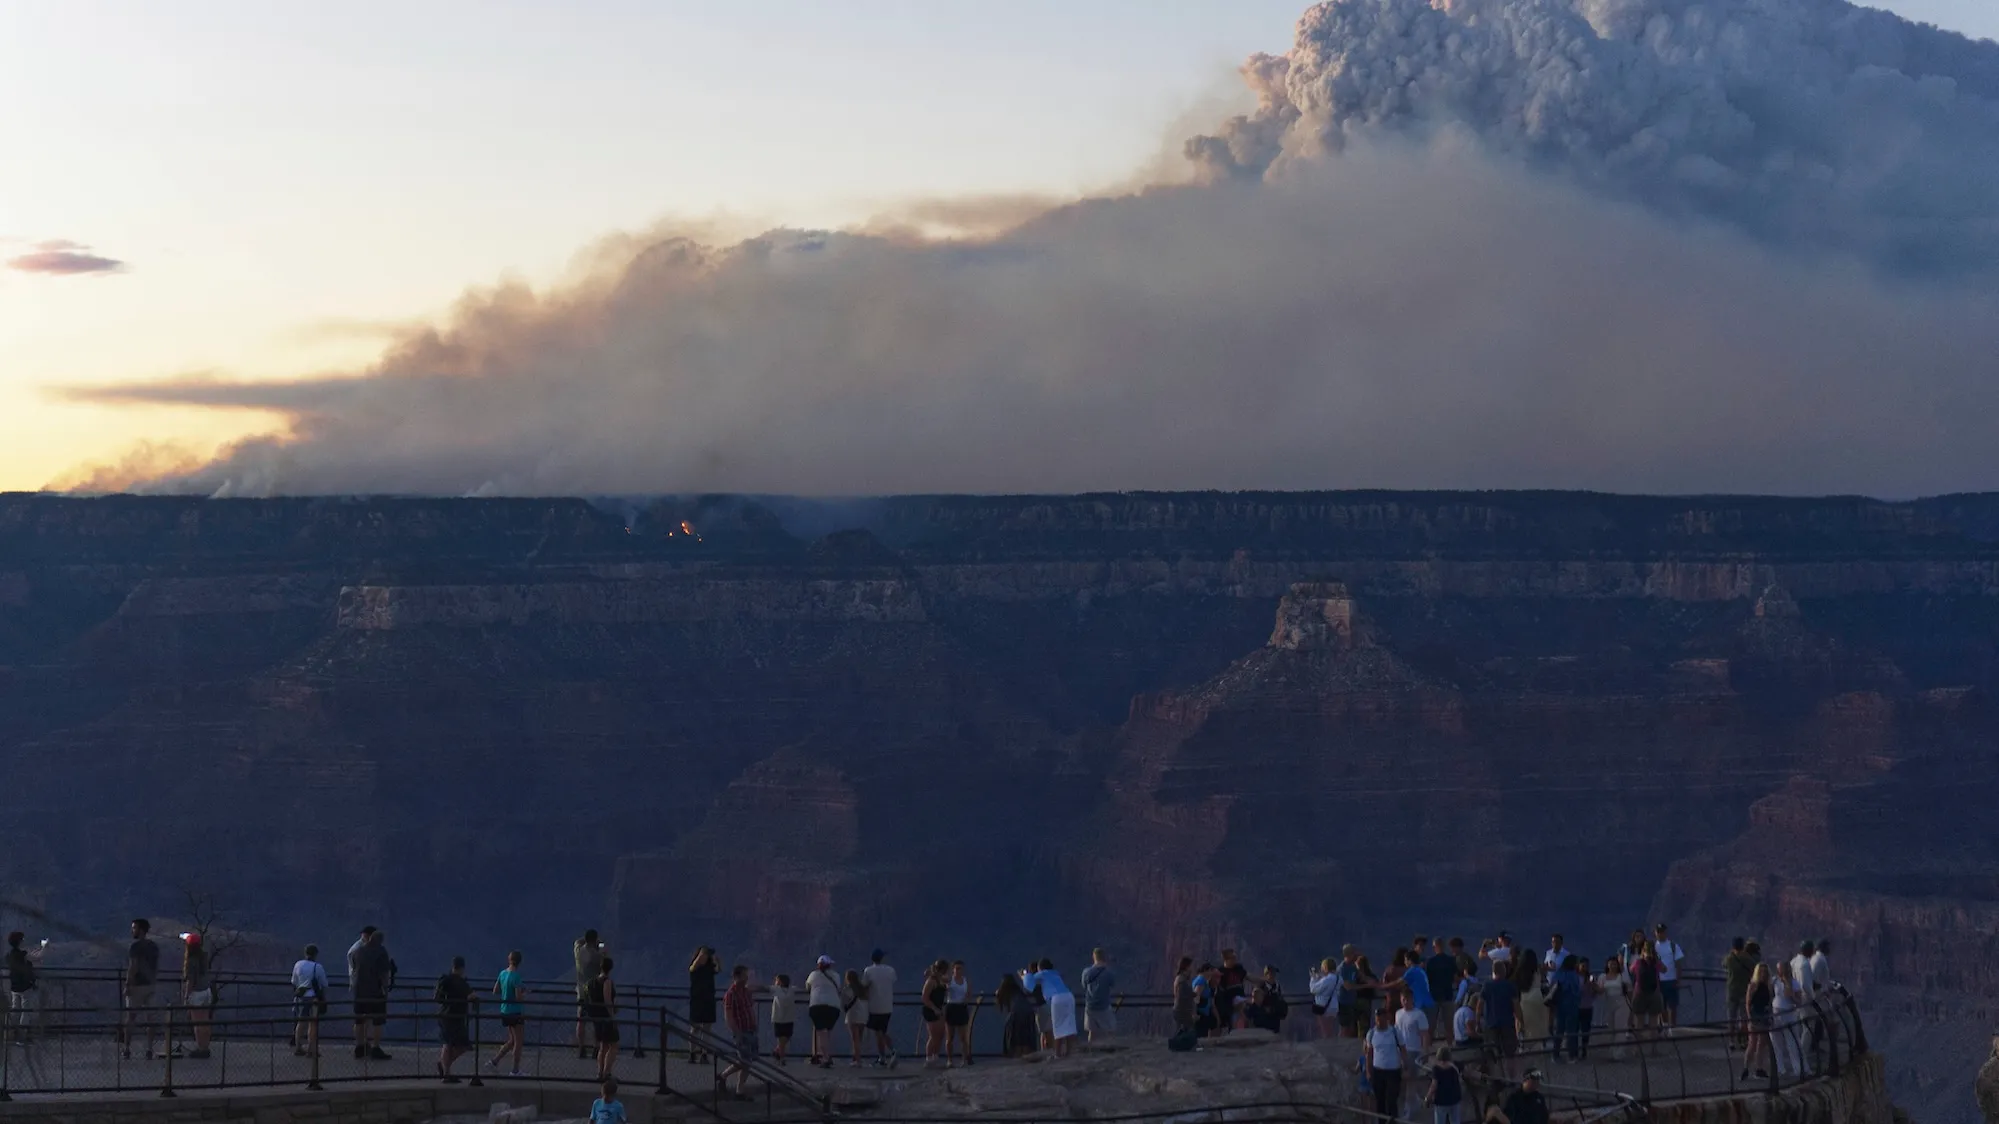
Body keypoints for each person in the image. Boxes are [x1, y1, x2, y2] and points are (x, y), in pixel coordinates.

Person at [352, 929, 396, 1062]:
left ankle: (359, 1046)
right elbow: (384, 972)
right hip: (375, 992)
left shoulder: (357, 951)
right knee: (378, 1021)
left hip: (359, 991)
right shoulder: (381, 952)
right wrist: (385, 989)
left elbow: (354, 968)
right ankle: (375, 1048)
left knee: (359, 1020)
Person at [122, 918, 161, 1060]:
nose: (132, 930)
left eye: (134, 928)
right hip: (151, 985)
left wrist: (127, 984)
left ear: (141, 930)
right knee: (151, 1018)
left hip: (137, 986)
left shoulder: (135, 947)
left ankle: (127, 1048)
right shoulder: (154, 946)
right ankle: (149, 1048)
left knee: (131, 1017)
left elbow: (133, 967)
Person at [1023, 958, 1077, 1057]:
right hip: (1069, 996)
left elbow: (1029, 985)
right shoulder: (1056, 974)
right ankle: (1069, 1052)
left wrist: (1025, 975)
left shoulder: (1043, 974)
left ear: (1040, 968)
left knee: (1057, 1027)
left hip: (1057, 998)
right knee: (1069, 1026)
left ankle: (1057, 1054)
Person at [719, 964, 758, 1099]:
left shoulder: (746, 992)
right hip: (741, 1031)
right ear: (737, 976)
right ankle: (736, 1087)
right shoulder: (730, 995)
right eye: (745, 975)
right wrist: (737, 1032)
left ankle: (727, 1080)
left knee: (746, 1061)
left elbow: (750, 1009)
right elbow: (728, 1016)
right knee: (745, 1061)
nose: (747, 978)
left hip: (751, 1029)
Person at [1477, 961, 1520, 1079]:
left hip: (1491, 1024)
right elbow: (1516, 1006)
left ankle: (1496, 1080)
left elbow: (1479, 1005)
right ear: (1504, 971)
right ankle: (1512, 1080)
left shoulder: (1487, 985)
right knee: (1510, 1055)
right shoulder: (1510, 986)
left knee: (1491, 1054)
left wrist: (1477, 1021)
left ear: (1493, 972)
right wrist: (1520, 1022)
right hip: (1508, 1024)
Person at [487, 949, 527, 1076]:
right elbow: (518, 997)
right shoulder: (516, 976)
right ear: (519, 962)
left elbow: (495, 991)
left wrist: (506, 991)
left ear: (509, 960)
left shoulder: (502, 973)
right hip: (515, 1011)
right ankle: (515, 1070)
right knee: (518, 1042)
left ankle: (494, 1061)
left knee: (512, 1041)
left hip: (504, 1010)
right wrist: (525, 994)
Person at [435, 956, 474, 1083]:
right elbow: (471, 996)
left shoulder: (446, 980)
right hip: (456, 1016)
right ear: (462, 968)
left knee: (448, 1043)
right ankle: (446, 1070)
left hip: (444, 1015)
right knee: (461, 1045)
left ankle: (445, 1069)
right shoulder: (461, 983)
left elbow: (438, 997)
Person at [1363, 1006, 1406, 1122]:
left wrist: (1404, 1065)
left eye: (1381, 1018)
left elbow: (1402, 1049)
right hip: (1378, 1071)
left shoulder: (1394, 1032)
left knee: (1391, 1100)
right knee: (1380, 1100)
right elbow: (1369, 1054)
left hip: (1393, 1070)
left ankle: (1393, 1121)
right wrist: (1368, 1071)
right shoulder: (1371, 1034)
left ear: (1386, 1018)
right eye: (1377, 1018)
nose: (1379, 1021)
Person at [291, 944, 329, 1057]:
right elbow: (324, 984)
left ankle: (298, 1047)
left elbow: (294, 981)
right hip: (313, 998)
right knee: (313, 1024)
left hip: (301, 997)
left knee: (301, 1023)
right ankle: (312, 1049)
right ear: (315, 954)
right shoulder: (317, 967)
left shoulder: (298, 964)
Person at [181, 932, 214, 1059]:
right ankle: (206, 1046)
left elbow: (191, 981)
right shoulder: (203, 957)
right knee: (205, 1021)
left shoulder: (191, 961)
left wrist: (186, 996)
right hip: (206, 991)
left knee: (197, 1023)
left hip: (197, 993)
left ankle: (200, 1048)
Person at [5, 932, 42, 1046]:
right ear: (19, 941)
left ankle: (9, 1033)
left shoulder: (9, 955)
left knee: (15, 1010)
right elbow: (36, 957)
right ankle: (22, 1037)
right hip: (25, 986)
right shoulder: (22, 954)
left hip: (14, 986)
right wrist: (45, 948)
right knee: (25, 1012)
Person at [862, 949, 898, 1067]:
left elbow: (864, 985)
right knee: (881, 1030)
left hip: (874, 1005)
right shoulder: (890, 970)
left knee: (879, 1032)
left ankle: (890, 1052)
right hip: (887, 1005)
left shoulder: (868, 971)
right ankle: (884, 1056)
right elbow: (893, 981)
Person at [805, 955, 841, 1068]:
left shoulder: (813, 975)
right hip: (833, 1006)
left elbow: (808, 987)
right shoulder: (836, 975)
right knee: (827, 1032)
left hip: (817, 1005)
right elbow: (839, 988)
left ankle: (825, 1057)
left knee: (821, 1033)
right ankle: (825, 1054)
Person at [574, 930, 606, 1059]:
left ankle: (581, 1048)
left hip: (581, 991)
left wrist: (589, 941)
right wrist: (601, 949)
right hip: (594, 992)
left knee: (581, 1021)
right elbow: (604, 969)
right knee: (596, 1021)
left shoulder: (578, 951)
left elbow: (577, 942)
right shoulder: (597, 956)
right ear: (595, 940)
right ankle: (596, 1048)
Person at [1740, 962, 1774, 1081]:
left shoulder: (1769, 985)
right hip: (1755, 1016)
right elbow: (1748, 1003)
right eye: (1761, 971)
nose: (1763, 974)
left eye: (1765, 972)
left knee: (1762, 1044)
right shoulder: (1753, 985)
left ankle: (1759, 1068)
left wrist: (1769, 1013)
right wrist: (1750, 1018)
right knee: (1752, 1043)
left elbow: (1769, 1001)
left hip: (1764, 1016)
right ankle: (1746, 1068)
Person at [1771, 959, 1804, 1078]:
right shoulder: (1774, 981)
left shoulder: (1795, 984)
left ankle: (1798, 1069)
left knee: (1792, 1043)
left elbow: (1799, 1002)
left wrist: (1792, 996)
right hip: (1776, 1013)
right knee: (1776, 1043)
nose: (1779, 972)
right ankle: (1780, 1068)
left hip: (1788, 1014)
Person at [588, 956, 620, 1081]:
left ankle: (600, 1072)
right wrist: (612, 1016)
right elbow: (607, 1000)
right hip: (606, 1017)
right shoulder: (607, 982)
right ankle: (607, 1072)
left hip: (597, 1017)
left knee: (603, 1046)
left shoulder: (593, 982)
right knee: (614, 1045)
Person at [1546, 955, 1582, 1062]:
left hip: (1560, 1005)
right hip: (1572, 1005)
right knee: (1571, 1031)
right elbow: (1576, 991)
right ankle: (1572, 1055)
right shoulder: (1573, 975)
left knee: (1559, 1031)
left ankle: (1555, 1054)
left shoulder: (1558, 974)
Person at [688, 946, 719, 1063]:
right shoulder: (695, 968)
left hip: (709, 1000)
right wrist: (701, 954)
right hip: (697, 1000)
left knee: (706, 1029)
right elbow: (692, 968)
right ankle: (692, 1053)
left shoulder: (709, 968)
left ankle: (704, 1053)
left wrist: (716, 960)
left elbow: (717, 970)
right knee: (694, 1028)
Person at [995, 973, 1037, 1058]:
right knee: (1026, 1036)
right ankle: (1027, 1055)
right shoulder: (1017, 990)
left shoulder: (1004, 990)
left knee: (1015, 1037)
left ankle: (1017, 1056)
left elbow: (998, 995)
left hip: (1016, 1014)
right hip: (1028, 1012)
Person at [1595, 957, 1630, 1061]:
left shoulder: (1622, 976)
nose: (1613, 966)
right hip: (1609, 1003)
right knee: (1611, 1028)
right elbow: (1600, 990)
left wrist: (1632, 1004)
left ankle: (1619, 1052)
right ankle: (1613, 1049)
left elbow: (1629, 989)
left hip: (1621, 1002)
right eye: (1611, 964)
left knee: (1620, 1027)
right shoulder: (1603, 977)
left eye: (1615, 964)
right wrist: (1593, 985)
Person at [1080, 948, 1117, 1042]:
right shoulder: (1108, 973)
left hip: (1090, 1006)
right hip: (1103, 1006)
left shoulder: (1086, 972)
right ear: (1104, 958)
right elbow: (1112, 984)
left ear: (1093, 957)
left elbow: (1084, 986)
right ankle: (1111, 1049)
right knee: (1110, 1030)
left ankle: (1090, 1050)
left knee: (1092, 1032)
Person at [1723, 938, 1753, 1048]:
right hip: (1744, 991)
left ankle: (1731, 1041)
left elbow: (1724, 965)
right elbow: (1753, 969)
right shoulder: (1747, 959)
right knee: (1744, 1018)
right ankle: (1743, 1041)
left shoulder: (1729, 958)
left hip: (1731, 991)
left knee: (1731, 1018)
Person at [1653, 924, 1684, 1029]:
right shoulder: (1652, 947)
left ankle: (1673, 1027)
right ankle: (1664, 1026)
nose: (1660, 934)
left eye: (1662, 932)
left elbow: (1679, 963)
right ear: (1655, 933)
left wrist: (1678, 979)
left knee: (1672, 1006)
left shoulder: (1673, 946)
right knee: (1661, 1006)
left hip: (1671, 980)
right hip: (1658, 981)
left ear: (1665, 932)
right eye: (1658, 932)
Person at [921, 960, 950, 1066]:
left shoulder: (940, 979)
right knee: (933, 1035)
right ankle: (928, 1058)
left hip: (939, 1009)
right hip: (931, 1010)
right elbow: (925, 998)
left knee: (941, 1034)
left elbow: (948, 981)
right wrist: (934, 1008)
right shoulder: (931, 981)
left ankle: (935, 1056)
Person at [1427, 1045, 1465, 1124]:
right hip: (1455, 1098)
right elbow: (1468, 1072)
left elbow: (1433, 1086)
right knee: (1455, 1121)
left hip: (1441, 1101)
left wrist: (1428, 1098)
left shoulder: (1436, 1069)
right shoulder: (1456, 1065)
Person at [945, 961, 973, 1067]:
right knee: (950, 1037)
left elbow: (969, 993)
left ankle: (964, 1059)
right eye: (956, 968)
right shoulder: (949, 980)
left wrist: (967, 999)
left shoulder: (966, 981)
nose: (958, 970)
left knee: (963, 1037)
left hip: (961, 1008)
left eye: (960, 968)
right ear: (953, 969)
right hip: (951, 1007)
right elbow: (940, 981)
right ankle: (949, 1060)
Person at [841, 968, 870, 1066]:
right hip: (863, 1015)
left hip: (852, 1015)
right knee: (859, 1038)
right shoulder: (863, 989)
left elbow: (844, 1005)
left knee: (855, 1039)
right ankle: (857, 1057)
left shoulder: (847, 989)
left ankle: (857, 1060)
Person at [1217, 949, 1248, 1031]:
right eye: (1233, 957)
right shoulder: (1220, 972)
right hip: (1229, 1004)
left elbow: (1249, 977)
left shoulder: (1238, 968)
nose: (1235, 959)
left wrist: (1263, 980)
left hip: (1241, 1001)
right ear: (1226, 959)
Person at [769, 972, 796, 1065]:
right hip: (788, 1018)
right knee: (784, 1038)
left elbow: (764, 988)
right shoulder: (792, 990)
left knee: (782, 1039)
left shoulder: (776, 989)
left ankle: (778, 1052)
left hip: (779, 1018)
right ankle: (781, 1057)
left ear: (779, 982)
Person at [1309, 958, 1340, 1038]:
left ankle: (1328, 1044)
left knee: (1325, 1029)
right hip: (1334, 1006)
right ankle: (1332, 1042)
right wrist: (1319, 976)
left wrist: (1313, 978)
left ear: (1326, 968)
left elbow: (1313, 989)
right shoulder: (1338, 978)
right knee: (1331, 1027)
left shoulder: (1328, 979)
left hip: (1323, 1006)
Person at [1574, 958, 1596, 1060]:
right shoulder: (1575, 977)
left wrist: (1592, 987)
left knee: (1586, 1030)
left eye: (1586, 966)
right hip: (1576, 1007)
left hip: (1587, 1007)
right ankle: (1574, 1049)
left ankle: (1584, 1049)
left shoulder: (1590, 978)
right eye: (1583, 966)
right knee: (1575, 1029)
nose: (1584, 968)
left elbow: (1594, 993)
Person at [1192, 962, 1218, 1038]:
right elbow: (1196, 997)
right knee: (1201, 1036)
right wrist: (1195, 1013)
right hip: (1201, 1014)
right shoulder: (1201, 981)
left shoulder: (1202, 980)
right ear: (1206, 970)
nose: (1211, 974)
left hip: (1204, 1013)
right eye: (1211, 971)